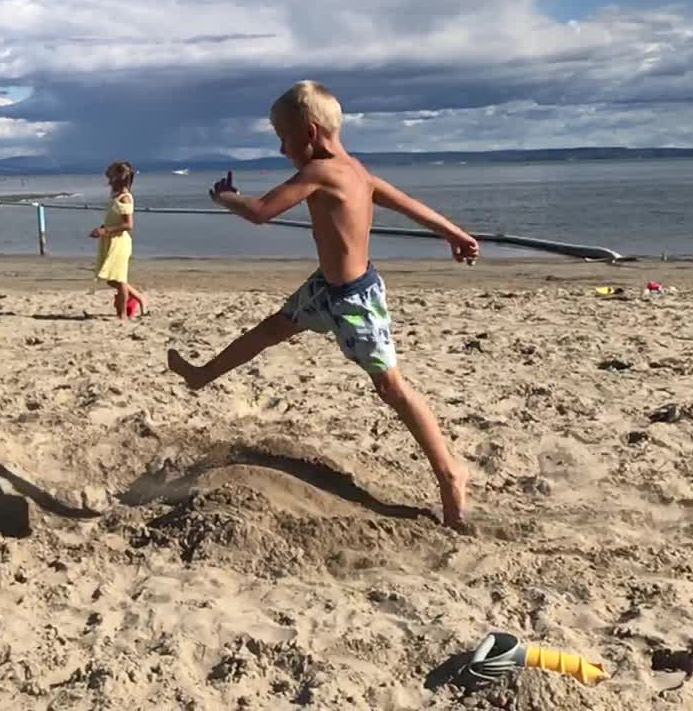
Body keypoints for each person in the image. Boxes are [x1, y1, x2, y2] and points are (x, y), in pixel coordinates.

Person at [166, 81, 479, 532]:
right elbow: (407, 204)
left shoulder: (321, 173)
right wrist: (452, 233)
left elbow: (259, 212)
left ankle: (451, 474)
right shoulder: (355, 171)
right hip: (325, 290)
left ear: (309, 133)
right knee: (269, 330)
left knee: (390, 386)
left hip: (355, 300)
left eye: (283, 137)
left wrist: (225, 198)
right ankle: (201, 375)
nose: (280, 148)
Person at [91, 161, 148, 319]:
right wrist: (103, 227)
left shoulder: (125, 198)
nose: (108, 180)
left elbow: (128, 225)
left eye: (111, 176)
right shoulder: (115, 196)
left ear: (119, 178)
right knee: (111, 279)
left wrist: (105, 230)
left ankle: (123, 314)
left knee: (119, 279)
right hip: (110, 240)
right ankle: (139, 297)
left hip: (119, 242)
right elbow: (114, 219)